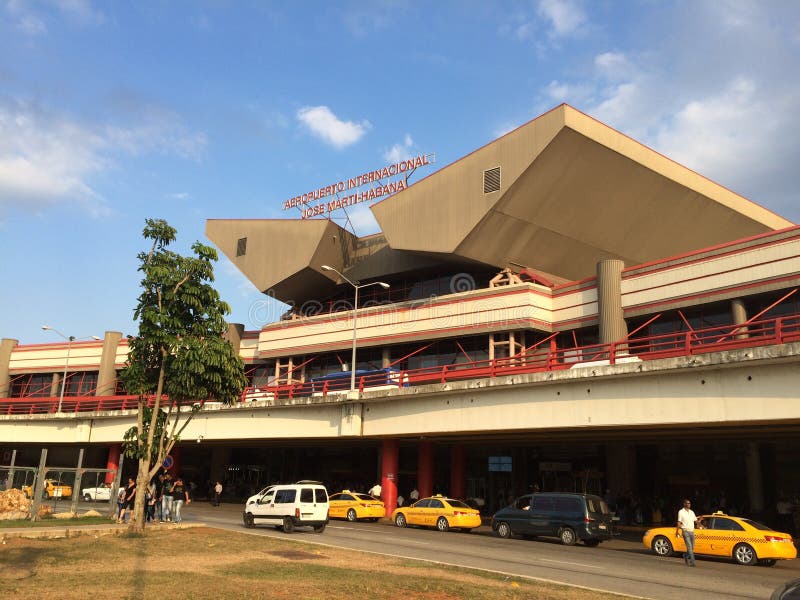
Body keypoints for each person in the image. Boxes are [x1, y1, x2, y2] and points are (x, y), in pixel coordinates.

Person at [676, 498, 701, 567]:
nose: (689, 504)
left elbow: (696, 521)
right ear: (684, 504)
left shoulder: (692, 512)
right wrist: (677, 531)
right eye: (687, 503)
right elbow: (679, 522)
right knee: (689, 547)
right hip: (685, 531)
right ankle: (692, 562)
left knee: (692, 547)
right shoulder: (681, 512)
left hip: (692, 531)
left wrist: (700, 524)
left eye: (689, 503)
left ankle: (685, 555)